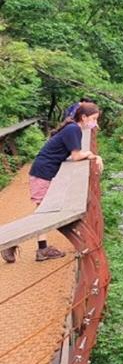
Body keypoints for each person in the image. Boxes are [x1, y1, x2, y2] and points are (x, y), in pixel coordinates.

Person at [1, 103, 104, 263]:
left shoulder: (72, 127)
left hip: (44, 170)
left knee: (43, 211)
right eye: (94, 119)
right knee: (43, 212)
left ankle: (39, 248)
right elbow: (76, 156)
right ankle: (18, 244)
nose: (95, 123)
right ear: (84, 117)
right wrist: (92, 155)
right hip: (43, 172)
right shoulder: (73, 129)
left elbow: (70, 154)